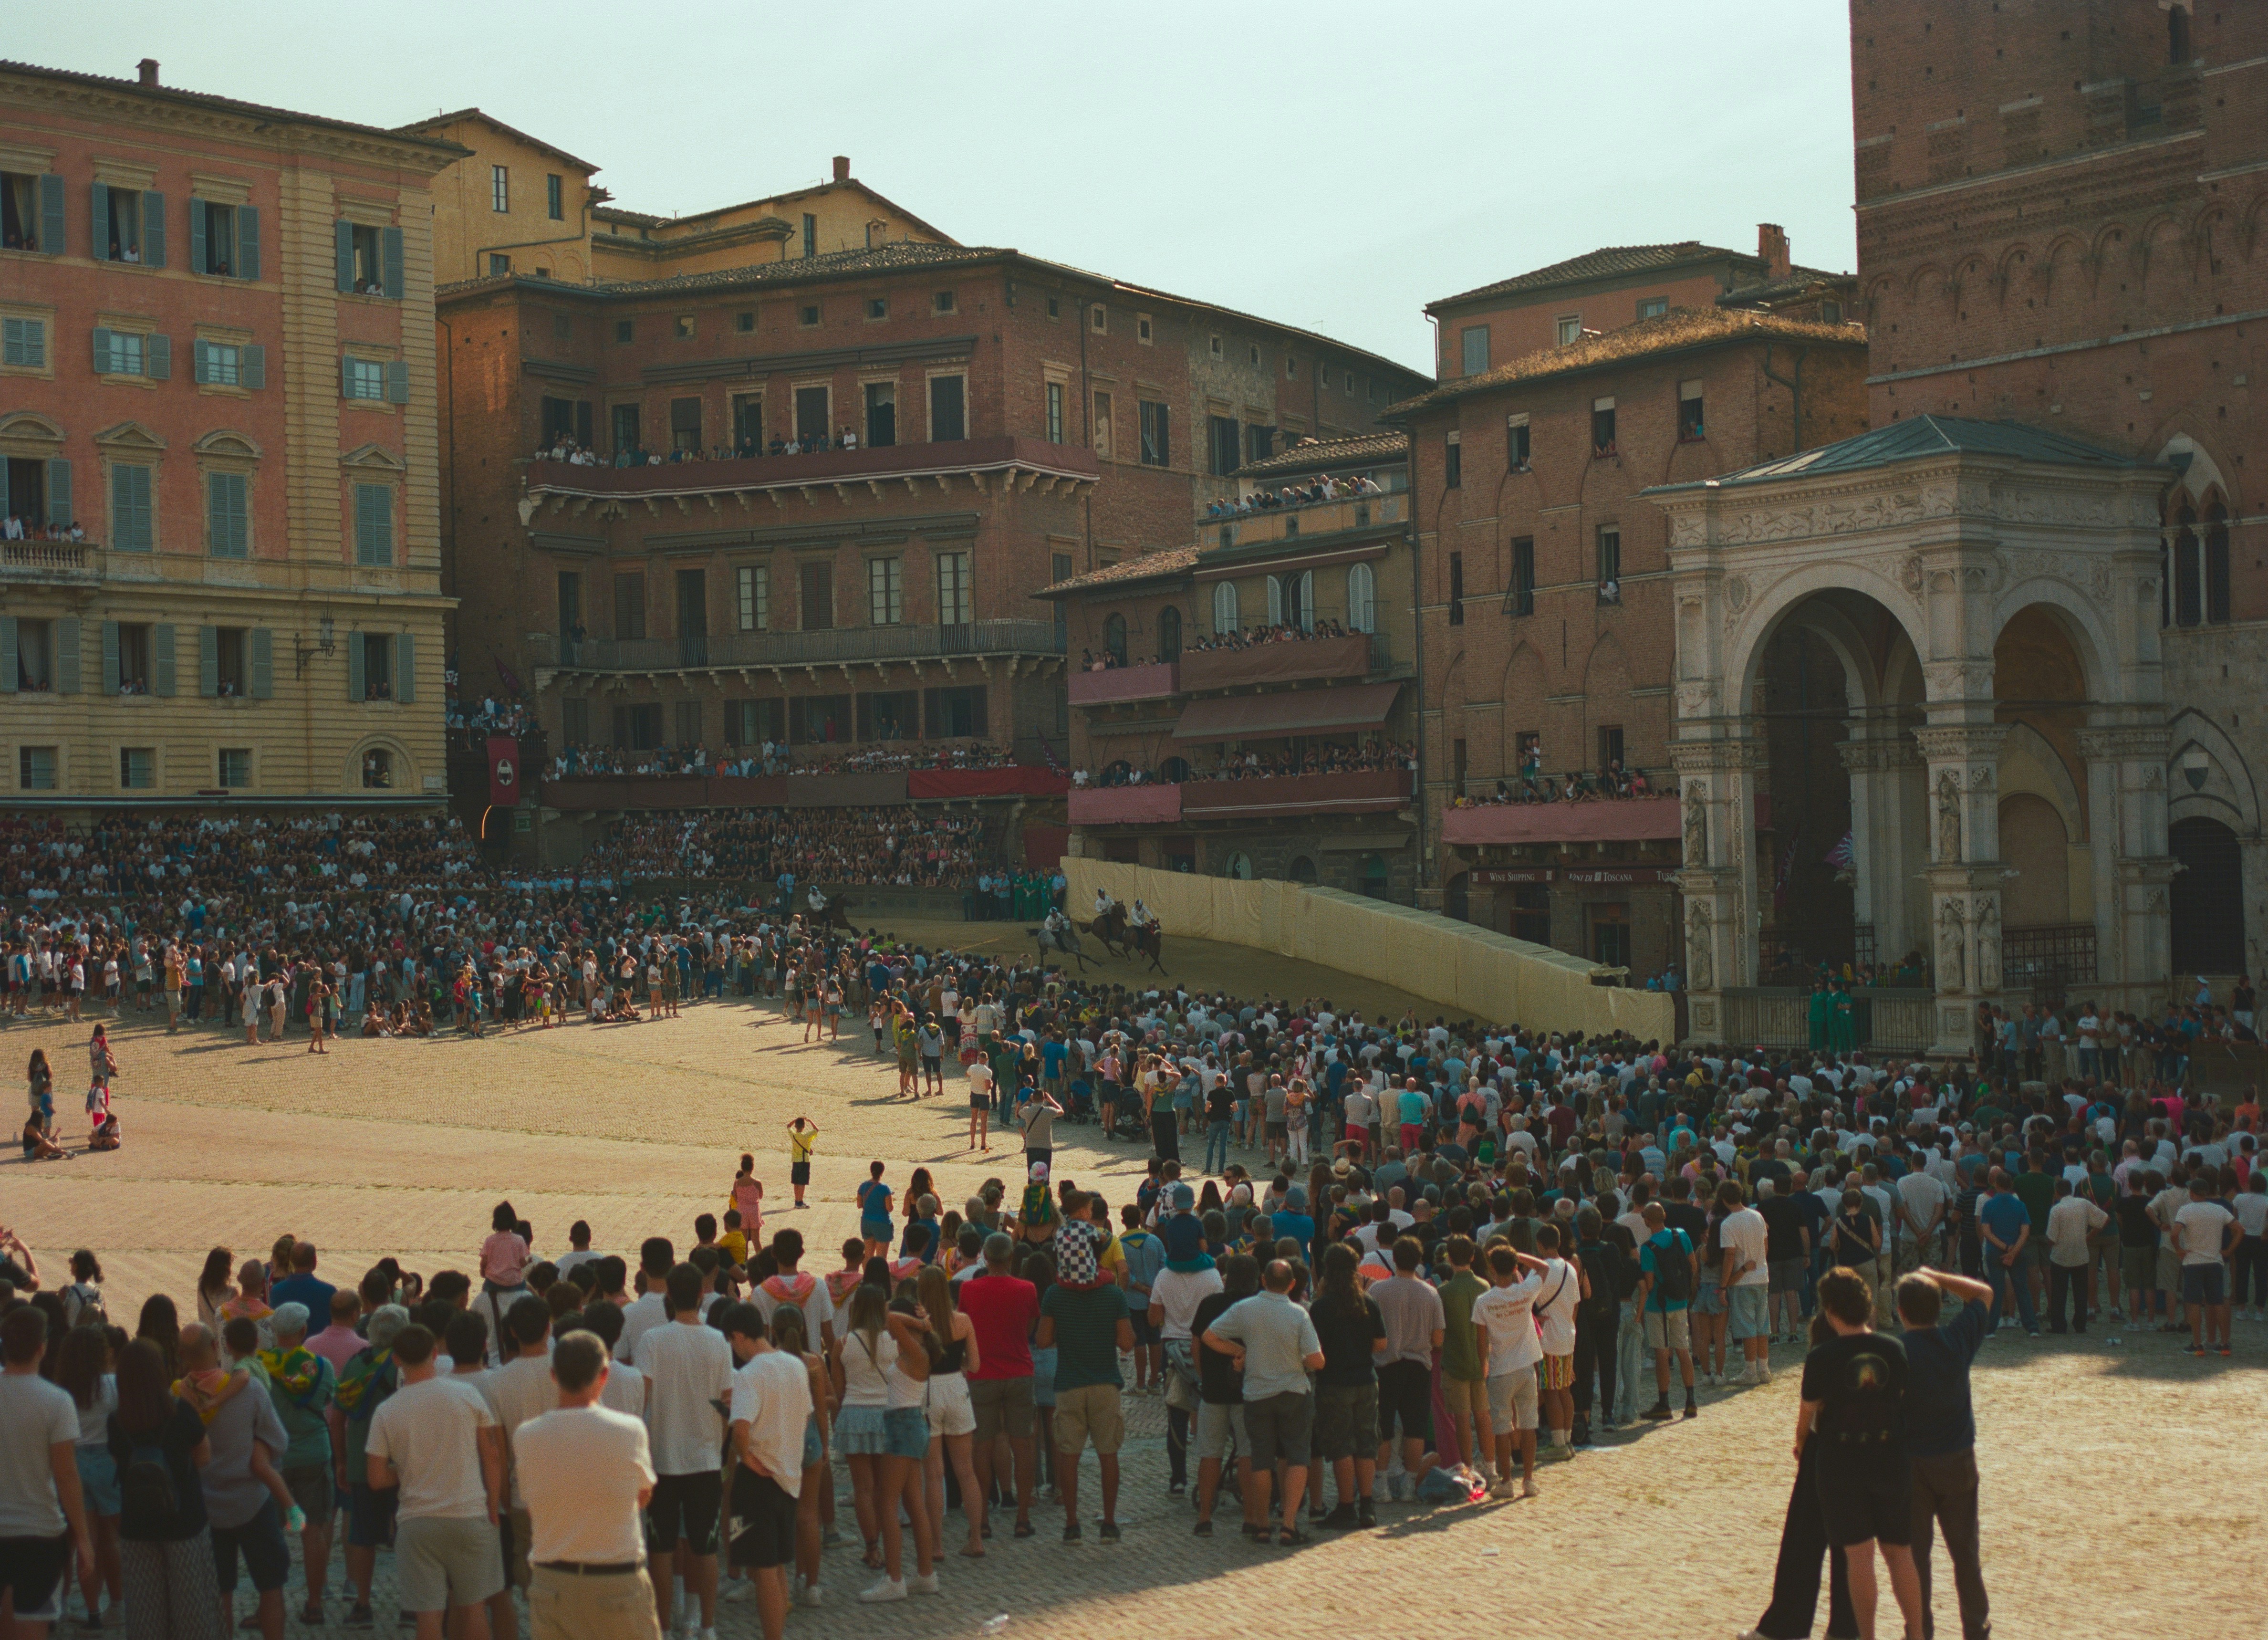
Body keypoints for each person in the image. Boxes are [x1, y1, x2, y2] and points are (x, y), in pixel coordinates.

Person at [1796, 1267, 1924, 1640]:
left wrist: (1801, 1442)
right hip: (1892, 1461)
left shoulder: (1823, 1356)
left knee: (1859, 1557)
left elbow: (1809, 1410)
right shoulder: (1895, 1348)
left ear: (1831, 1310)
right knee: (1901, 1553)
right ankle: (1917, 1634)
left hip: (1842, 1465)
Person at [512, 1329, 663, 1640]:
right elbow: (643, 1494)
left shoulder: (527, 1436)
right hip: (617, 1580)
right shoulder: (630, 1430)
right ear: (604, 1374)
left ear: (553, 1376)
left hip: (553, 1581)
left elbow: (532, 1504)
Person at [363, 1323, 505, 1640]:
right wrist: (492, 1505)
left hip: (417, 1521)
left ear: (396, 1359)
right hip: (469, 1513)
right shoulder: (467, 1394)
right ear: (436, 1353)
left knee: (428, 1617)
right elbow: (492, 1455)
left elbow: (375, 1478)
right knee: (474, 1609)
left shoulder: (387, 1411)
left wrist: (409, 1467)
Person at [631, 1264, 733, 1637]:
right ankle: (706, 1625)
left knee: (661, 1546)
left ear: (669, 1296)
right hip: (704, 1458)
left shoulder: (653, 1341)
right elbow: (727, 1402)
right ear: (702, 1295)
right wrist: (718, 1446)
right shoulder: (719, 1341)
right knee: (705, 1546)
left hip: (662, 1457)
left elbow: (642, 1396)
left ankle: (664, 1624)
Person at [1896, 1266, 1995, 1640]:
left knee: (1915, 1556)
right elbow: (1983, 1293)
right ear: (1939, 1306)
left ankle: (1919, 1630)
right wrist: (1935, 1275)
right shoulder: (1957, 1340)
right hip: (1956, 1459)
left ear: (1902, 1312)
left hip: (1911, 1464)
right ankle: (1976, 1628)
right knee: (1966, 1552)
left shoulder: (1896, 1351)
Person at [1199, 1259, 1323, 1546]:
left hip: (1257, 1395)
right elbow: (1316, 1360)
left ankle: (1262, 1524)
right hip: (1293, 1392)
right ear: (1292, 1285)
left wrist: (1241, 1350)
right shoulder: (1299, 1315)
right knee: (1297, 1458)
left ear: (1263, 1281)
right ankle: (1289, 1525)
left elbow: (1209, 1336)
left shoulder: (1246, 1309)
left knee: (1261, 1461)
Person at [187, 1320, 294, 1640]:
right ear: (216, 1348)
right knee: (271, 1588)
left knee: (221, 1592)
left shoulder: (179, 1395)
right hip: (253, 1502)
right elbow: (279, 1440)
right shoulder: (248, 1388)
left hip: (207, 1505)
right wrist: (260, 1449)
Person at [0, 1305, 97, 1640]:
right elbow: (66, 1474)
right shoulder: (56, 1402)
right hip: (39, 1535)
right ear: (42, 1346)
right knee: (31, 1630)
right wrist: (83, 1538)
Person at [1035, 1219, 1132, 1543]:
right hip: (1105, 1382)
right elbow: (1128, 1342)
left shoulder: (1054, 1295)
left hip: (1069, 1383)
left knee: (1069, 1455)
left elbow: (1044, 1339)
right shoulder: (1113, 1294)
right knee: (1108, 1454)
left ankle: (1072, 1523)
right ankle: (1109, 1521)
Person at [723, 1305, 812, 1640]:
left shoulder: (750, 1373)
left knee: (762, 1572)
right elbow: (804, 1417)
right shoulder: (795, 1365)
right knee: (777, 1567)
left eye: (733, 1341)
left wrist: (745, 1457)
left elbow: (741, 1431)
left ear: (740, 1336)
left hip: (758, 1480)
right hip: (788, 1477)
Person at [257, 1303, 337, 1627]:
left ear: (275, 1331)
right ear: (303, 1331)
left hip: (272, 1457)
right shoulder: (322, 1367)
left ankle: (268, 1605)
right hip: (313, 1453)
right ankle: (315, 1603)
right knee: (314, 1531)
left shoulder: (259, 1366)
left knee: (267, 1534)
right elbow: (324, 1402)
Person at [957, 1234, 1039, 1540]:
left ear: (985, 1258)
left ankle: (983, 1520)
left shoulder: (969, 1289)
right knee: (1023, 1444)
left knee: (983, 1445)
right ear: (1011, 1257)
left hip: (983, 1374)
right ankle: (1022, 1517)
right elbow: (1029, 1325)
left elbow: (965, 1328)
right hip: (1019, 1370)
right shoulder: (1027, 1289)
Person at [1305, 1242, 1385, 1526]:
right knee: (1366, 1442)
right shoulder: (1369, 1302)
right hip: (1366, 1379)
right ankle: (1367, 1504)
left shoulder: (1322, 1307)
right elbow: (1381, 1343)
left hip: (1334, 1383)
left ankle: (1346, 1505)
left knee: (1341, 1445)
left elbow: (1312, 1348)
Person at [1632, 1201, 1698, 1422]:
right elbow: (1693, 1265)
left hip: (1657, 1306)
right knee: (1683, 1350)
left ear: (1647, 1221)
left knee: (1662, 1353)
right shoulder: (1681, 1235)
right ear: (1665, 1216)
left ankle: (1664, 1403)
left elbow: (1649, 1284)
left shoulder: (1647, 1247)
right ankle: (1691, 1402)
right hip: (1680, 1302)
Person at [785, 1119, 817, 1210]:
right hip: (804, 1161)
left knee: (796, 1182)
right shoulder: (806, 1136)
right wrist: (811, 1121)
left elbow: (788, 1126)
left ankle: (796, 1201)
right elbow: (816, 1130)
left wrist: (795, 1120)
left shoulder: (794, 1136)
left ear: (796, 1126)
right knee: (802, 1182)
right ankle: (800, 1202)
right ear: (804, 1127)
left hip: (795, 1160)